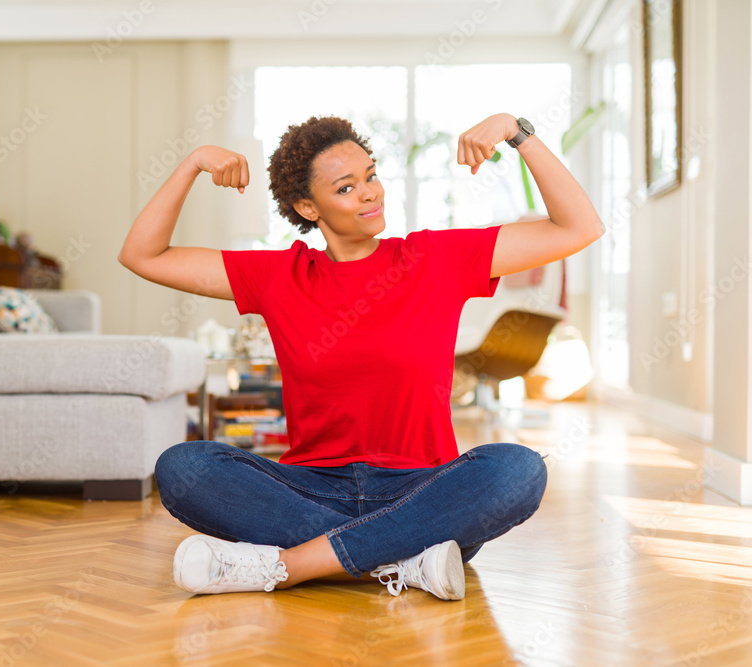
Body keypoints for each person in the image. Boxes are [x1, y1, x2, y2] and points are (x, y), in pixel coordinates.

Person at [118, 113, 605, 599]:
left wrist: (516, 133)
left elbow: (579, 226)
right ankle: (403, 560)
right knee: (185, 467)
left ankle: (289, 566)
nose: (370, 192)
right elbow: (144, 254)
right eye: (347, 188)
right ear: (309, 208)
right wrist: (193, 163)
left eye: (371, 176)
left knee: (519, 468)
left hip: (422, 490)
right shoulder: (277, 275)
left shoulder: (436, 260)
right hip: (311, 488)